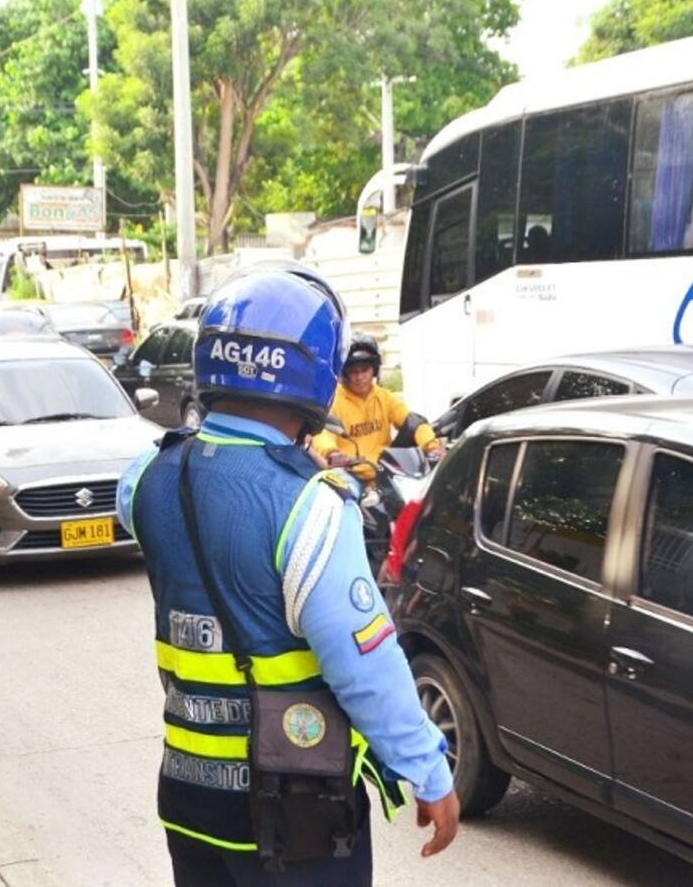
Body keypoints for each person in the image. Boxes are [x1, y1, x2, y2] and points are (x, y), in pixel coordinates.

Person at [117, 268, 459, 886]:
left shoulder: (146, 479)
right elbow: (367, 669)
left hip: (189, 799)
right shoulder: (310, 509)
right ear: (312, 376)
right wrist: (428, 773)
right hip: (292, 813)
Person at [310, 333, 443, 477]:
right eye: (353, 372)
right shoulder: (334, 400)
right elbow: (323, 434)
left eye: (365, 370)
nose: (360, 377)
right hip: (350, 475)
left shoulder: (384, 397)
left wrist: (432, 447)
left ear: (374, 370)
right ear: (344, 374)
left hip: (384, 473)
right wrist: (332, 453)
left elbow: (414, 422)